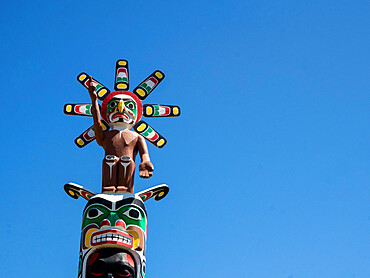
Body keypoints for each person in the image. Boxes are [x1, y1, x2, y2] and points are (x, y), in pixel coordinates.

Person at [87, 77, 154, 193]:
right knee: (110, 159)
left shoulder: (137, 137)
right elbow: (97, 124)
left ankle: (124, 187)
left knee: (126, 160)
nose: (121, 108)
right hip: (108, 183)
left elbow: (144, 154)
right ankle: (109, 187)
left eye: (130, 106)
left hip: (126, 186)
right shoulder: (106, 136)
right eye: (113, 105)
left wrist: (145, 162)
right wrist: (94, 101)